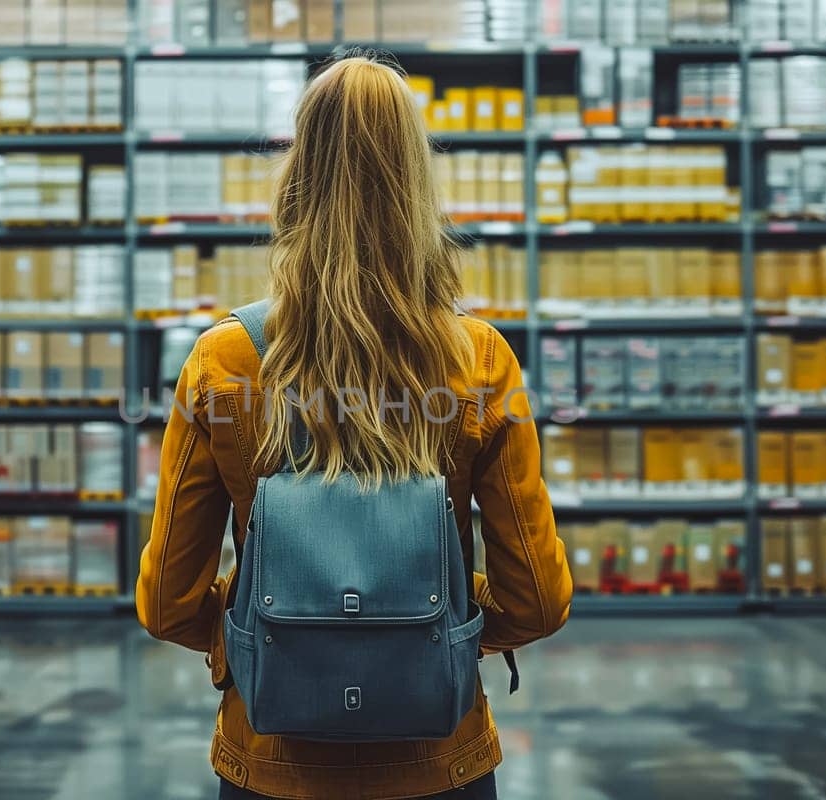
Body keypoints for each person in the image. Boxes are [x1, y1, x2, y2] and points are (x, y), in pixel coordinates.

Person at [136, 54, 573, 800]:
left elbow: (167, 603)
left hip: (271, 762)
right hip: (442, 764)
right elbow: (536, 597)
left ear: (296, 177)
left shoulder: (225, 360)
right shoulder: (479, 360)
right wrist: (426, 616)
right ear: (417, 181)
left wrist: (274, 631)